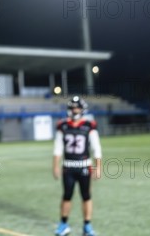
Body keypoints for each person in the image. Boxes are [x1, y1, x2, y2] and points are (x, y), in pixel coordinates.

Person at [53, 96, 102, 236]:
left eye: (77, 108)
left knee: (86, 196)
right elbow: (58, 148)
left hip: (84, 166)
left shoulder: (89, 125)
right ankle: (63, 224)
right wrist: (55, 165)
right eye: (73, 108)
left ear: (82, 109)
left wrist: (98, 166)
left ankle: (87, 226)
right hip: (68, 166)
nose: (75, 110)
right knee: (66, 196)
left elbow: (96, 148)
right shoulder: (63, 126)